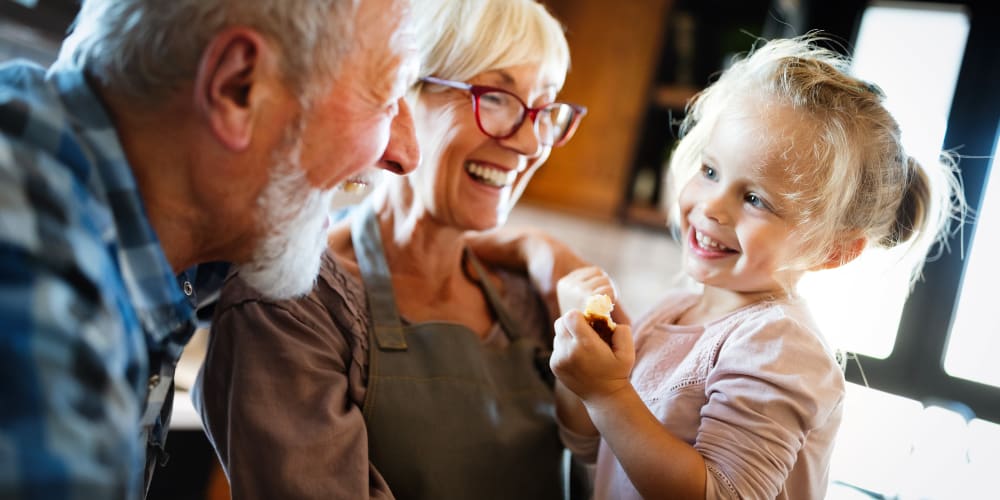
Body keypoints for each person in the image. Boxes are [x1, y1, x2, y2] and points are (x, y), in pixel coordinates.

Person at [0, 0, 420, 496]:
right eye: (386, 96)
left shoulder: (158, 221)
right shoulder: (36, 292)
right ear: (238, 87)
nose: (406, 154)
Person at [194, 0, 588, 498]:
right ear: (403, 91)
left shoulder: (537, 301)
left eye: (544, 107)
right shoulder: (291, 300)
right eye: (495, 98)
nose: (531, 143)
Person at [548, 36, 963, 500]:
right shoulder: (671, 313)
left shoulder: (779, 345)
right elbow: (587, 445)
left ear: (832, 252)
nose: (711, 207)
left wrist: (608, 393)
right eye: (709, 171)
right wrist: (581, 370)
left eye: (754, 199)